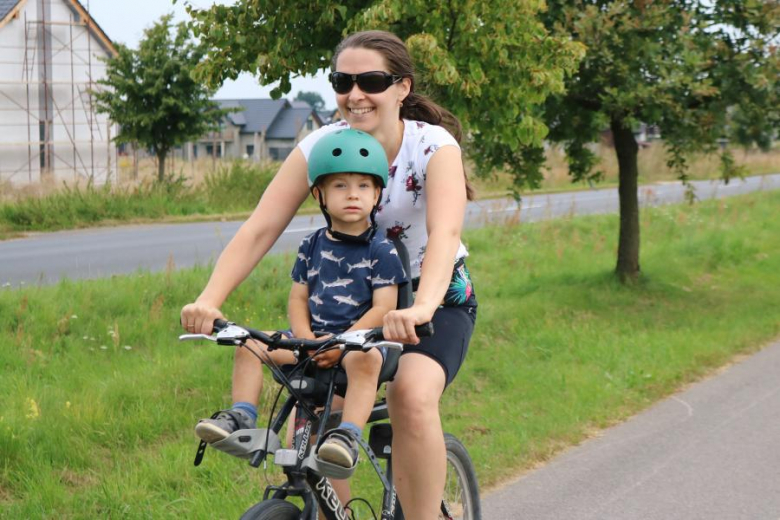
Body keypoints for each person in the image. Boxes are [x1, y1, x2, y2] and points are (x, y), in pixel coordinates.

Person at [181, 30, 477, 520]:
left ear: (401, 87)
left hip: (431, 301)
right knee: (311, 420)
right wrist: (208, 299)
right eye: (343, 80)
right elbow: (259, 229)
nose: (354, 93)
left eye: (372, 81)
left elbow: (445, 232)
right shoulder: (320, 145)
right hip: (341, 313)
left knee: (410, 395)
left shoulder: (432, 146)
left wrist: (420, 306)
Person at [193, 129, 407, 472]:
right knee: (248, 344)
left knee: (364, 362)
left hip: (359, 343)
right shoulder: (311, 245)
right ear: (318, 193)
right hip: (311, 341)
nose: (353, 195)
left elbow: (384, 308)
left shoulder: (381, 249)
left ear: (378, 192)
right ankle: (242, 416)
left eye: (363, 186)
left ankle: (346, 437)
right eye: (340, 186)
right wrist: (307, 340)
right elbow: (298, 298)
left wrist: (341, 343)